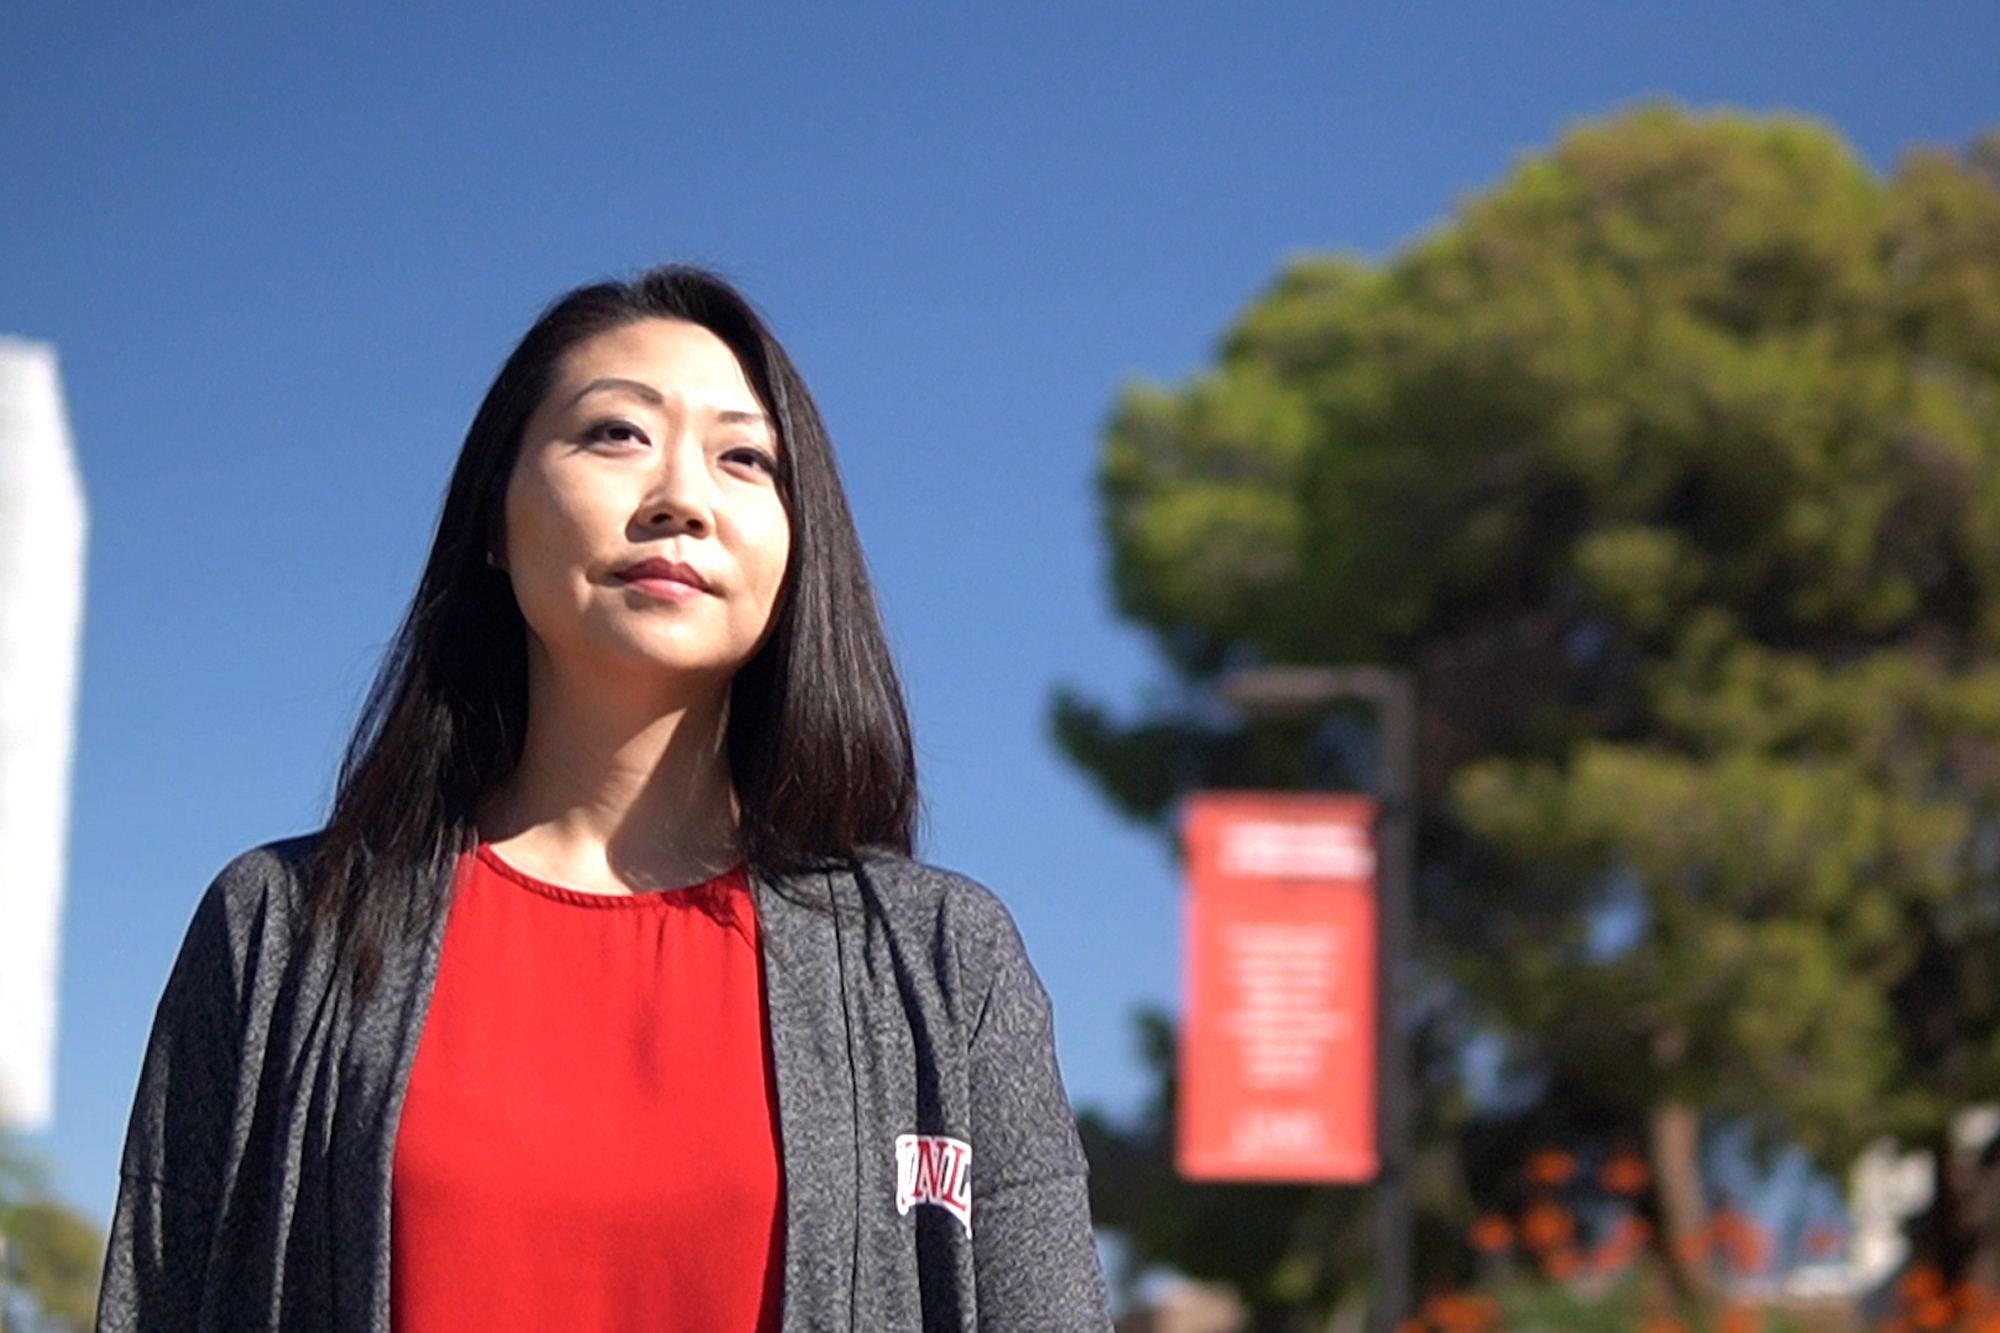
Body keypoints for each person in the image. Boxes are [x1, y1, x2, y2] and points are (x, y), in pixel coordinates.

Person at [97, 266, 1112, 1333]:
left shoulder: (942, 961)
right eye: (616, 433)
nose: (681, 497)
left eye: (744, 458)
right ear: (494, 513)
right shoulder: (278, 928)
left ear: (795, 548)